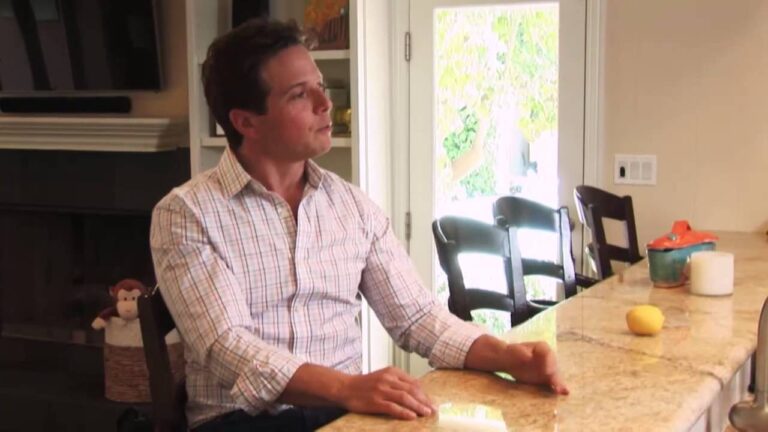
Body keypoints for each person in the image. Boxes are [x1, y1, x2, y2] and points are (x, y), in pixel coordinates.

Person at [150, 19, 569, 432]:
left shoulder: (352, 206)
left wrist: (507, 357)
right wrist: (347, 388)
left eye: (321, 87)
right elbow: (228, 347)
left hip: (342, 414)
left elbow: (417, 317)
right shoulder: (186, 214)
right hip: (238, 421)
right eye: (300, 95)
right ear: (246, 122)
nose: (324, 103)